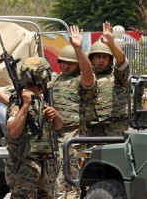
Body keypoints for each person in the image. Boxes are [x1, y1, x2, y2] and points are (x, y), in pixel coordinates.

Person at [49, 26, 96, 199]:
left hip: (73, 137)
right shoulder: (56, 80)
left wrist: (78, 49)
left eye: (70, 62)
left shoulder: (80, 81)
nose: (65, 66)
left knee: (68, 184)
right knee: (55, 183)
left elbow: (88, 74)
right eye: (63, 62)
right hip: (54, 137)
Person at [5, 56, 63, 198]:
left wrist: (55, 116)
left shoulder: (41, 99)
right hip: (25, 165)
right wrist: (25, 105)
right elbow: (13, 132)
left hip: (45, 165)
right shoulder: (17, 101)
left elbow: (58, 127)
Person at [87, 21, 129, 137]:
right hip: (93, 128)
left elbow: (122, 61)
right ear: (91, 59)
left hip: (116, 127)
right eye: (98, 57)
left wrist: (111, 45)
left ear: (110, 59)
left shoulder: (117, 75)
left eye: (104, 57)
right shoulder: (87, 77)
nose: (101, 60)